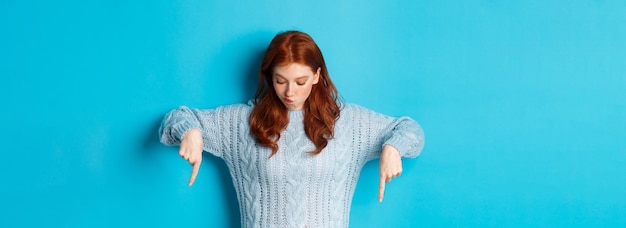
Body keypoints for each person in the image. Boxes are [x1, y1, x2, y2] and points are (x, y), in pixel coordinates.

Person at [159, 30, 424, 228]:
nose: (289, 92)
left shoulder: (347, 122)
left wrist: (393, 146)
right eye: (280, 80)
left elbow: (411, 130)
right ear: (269, 76)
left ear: (317, 76)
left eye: (300, 81)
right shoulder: (242, 121)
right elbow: (176, 118)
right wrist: (191, 132)